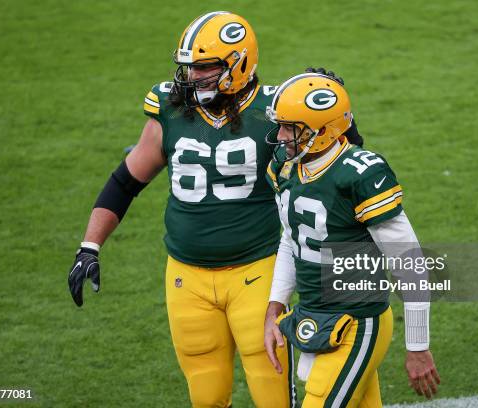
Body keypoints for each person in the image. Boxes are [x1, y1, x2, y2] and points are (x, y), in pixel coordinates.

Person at [67, 11, 298, 407]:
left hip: (257, 272)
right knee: (206, 398)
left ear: (239, 63)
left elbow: (328, 162)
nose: (193, 77)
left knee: (272, 395)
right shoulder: (169, 108)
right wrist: (90, 246)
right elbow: (126, 181)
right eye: (189, 67)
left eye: (205, 67)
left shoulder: (274, 112)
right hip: (186, 279)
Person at [262, 72, 440, 407]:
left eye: (291, 128)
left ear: (323, 130)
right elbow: (292, 239)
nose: (281, 136)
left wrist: (418, 347)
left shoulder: (360, 173)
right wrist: (274, 306)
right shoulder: (286, 168)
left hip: (359, 322)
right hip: (316, 314)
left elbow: (411, 263)